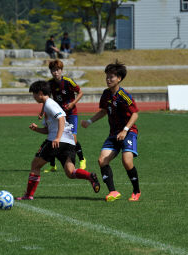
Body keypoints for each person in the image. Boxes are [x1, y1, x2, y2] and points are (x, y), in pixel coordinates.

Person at [17, 81, 100, 200]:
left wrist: (57, 137)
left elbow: (61, 118)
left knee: (35, 165)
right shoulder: (47, 106)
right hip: (69, 141)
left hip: (57, 140)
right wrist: (36, 129)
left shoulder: (49, 104)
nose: (33, 97)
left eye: (34, 95)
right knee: (70, 172)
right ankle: (90, 176)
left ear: (40, 93)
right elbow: (48, 130)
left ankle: (28, 195)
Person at [81, 60, 141, 202]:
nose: (108, 79)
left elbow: (135, 114)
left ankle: (136, 191)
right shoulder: (106, 94)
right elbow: (103, 111)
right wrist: (89, 121)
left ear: (119, 78)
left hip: (129, 132)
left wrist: (125, 130)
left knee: (126, 161)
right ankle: (113, 191)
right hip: (114, 134)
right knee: (102, 160)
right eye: (107, 76)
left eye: (111, 77)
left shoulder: (124, 95)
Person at [40, 59, 87, 173]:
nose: (56, 72)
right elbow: (47, 99)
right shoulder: (49, 84)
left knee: (73, 139)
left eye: (58, 70)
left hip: (71, 114)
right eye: (53, 70)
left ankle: (82, 159)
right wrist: (42, 111)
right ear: (51, 71)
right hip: (58, 114)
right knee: (54, 137)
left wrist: (73, 103)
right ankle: (52, 165)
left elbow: (80, 92)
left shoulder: (68, 81)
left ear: (61, 70)